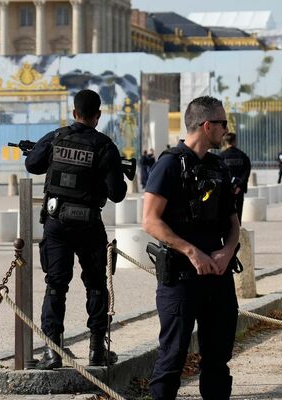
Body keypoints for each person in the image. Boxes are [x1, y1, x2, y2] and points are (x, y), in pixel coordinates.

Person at [143, 96, 240, 399]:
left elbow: (234, 223)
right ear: (207, 125)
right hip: (181, 280)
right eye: (223, 123)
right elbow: (150, 220)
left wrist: (227, 251)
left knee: (218, 360)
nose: (227, 129)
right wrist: (190, 251)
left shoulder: (218, 166)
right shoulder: (169, 164)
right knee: (172, 359)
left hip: (217, 278)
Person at [25, 89, 127, 370]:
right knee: (95, 286)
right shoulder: (105, 145)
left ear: (74, 113)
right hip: (89, 225)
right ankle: (97, 350)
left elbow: (32, 164)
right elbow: (117, 193)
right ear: (98, 115)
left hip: (57, 223)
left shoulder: (57, 137)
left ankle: (52, 352)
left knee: (56, 286)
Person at [219, 132, 252, 222]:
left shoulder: (221, 156)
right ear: (235, 141)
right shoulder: (243, 156)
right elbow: (246, 172)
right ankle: (238, 230)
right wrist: (239, 186)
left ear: (225, 142)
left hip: (225, 190)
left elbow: (219, 174)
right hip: (239, 190)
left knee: (225, 211)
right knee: (238, 211)